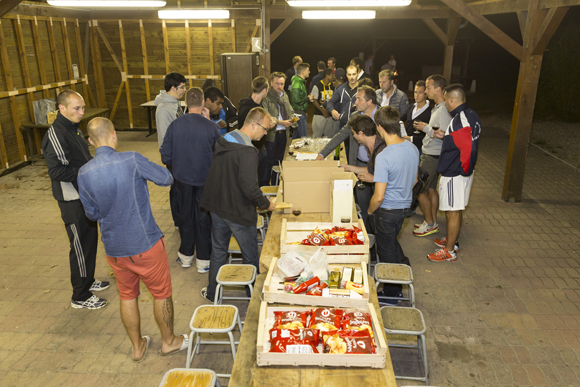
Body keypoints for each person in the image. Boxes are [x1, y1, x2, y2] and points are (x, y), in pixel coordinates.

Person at [77, 117, 188, 362]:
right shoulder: (131, 159)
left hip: (115, 249)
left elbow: (92, 213)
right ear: (114, 134)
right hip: (145, 244)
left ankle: (137, 347)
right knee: (161, 294)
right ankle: (169, 342)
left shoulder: (84, 173)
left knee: (127, 296)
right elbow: (166, 179)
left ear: (90, 141)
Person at [200, 107, 277, 302]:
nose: (265, 133)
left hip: (217, 206)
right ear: (254, 124)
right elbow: (250, 188)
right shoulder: (248, 152)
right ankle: (253, 298)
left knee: (218, 251)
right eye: (265, 129)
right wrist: (266, 204)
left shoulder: (226, 139)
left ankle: (212, 293)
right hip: (237, 211)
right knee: (250, 256)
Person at [41, 90, 109, 310]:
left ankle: (87, 280)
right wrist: (87, 173)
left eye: (82, 107)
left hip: (84, 196)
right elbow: (57, 172)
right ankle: (80, 295)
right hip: (71, 200)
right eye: (76, 108)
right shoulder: (57, 133)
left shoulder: (73, 128)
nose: (81, 112)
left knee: (89, 241)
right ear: (62, 108)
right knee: (79, 245)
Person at [161, 87, 220, 273]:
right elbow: (221, 152)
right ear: (203, 103)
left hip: (183, 180)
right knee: (203, 219)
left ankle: (186, 257)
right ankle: (204, 260)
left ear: (185, 103)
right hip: (205, 180)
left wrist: (177, 167)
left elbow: (165, 155)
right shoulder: (211, 127)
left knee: (185, 216)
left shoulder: (175, 125)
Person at [368, 106, 419, 302]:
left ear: (379, 127)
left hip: (387, 210)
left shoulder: (384, 156)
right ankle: (404, 268)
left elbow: (378, 196)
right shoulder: (411, 148)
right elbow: (414, 180)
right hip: (404, 208)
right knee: (391, 243)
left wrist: (370, 211)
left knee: (386, 251)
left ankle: (393, 293)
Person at [428, 84, 480, 262]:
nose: (446, 106)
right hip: (459, 172)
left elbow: (469, 147)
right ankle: (452, 239)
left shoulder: (460, 119)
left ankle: (449, 250)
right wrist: (447, 137)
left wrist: (463, 170)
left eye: (446, 102)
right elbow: (462, 140)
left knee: (452, 211)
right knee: (455, 208)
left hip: (454, 173)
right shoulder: (470, 114)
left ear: (451, 100)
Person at [317, 86, 378, 225]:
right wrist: (322, 154)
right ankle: (365, 233)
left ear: (370, 101)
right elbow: (340, 136)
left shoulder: (382, 116)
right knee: (361, 202)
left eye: (358, 99)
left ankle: (377, 237)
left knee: (378, 203)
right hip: (360, 164)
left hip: (379, 166)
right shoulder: (355, 116)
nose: (355, 102)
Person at [412, 74, 452, 237]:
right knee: (430, 189)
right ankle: (432, 221)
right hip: (434, 154)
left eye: (428, 88)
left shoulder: (442, 110)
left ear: (438, 89)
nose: (426, 91)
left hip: (432, 155)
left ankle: (429, 223)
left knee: (418, 189)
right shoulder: (438, 107)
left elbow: (442, 133)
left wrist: (426, 128)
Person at [156, 72, 186, 229]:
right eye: (182, 87)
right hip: (174, 156)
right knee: (176, 188)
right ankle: (178, 220)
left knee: (180, 187)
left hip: (180, 153)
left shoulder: (175, 103)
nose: (184, 90)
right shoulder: (163, 109)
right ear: (173, 88)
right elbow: (166, 137)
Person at [262, 72, 296, 184]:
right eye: (277, 83)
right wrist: (282, 122)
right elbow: (266, 117)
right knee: (268, 162)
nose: (280, 86)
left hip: (283, 133)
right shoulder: (266, 96)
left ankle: (276, 186)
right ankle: (264, 187)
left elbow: (290, 110)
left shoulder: (284, 95)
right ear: (271, 83)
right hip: (271, 134)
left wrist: (293, 119)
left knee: (279, 162)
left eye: (282, 84)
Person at [238, 76, 271, 187]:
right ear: (264, 90)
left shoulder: (259, 104)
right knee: (254, 183)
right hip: (252, 151)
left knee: (264, 180)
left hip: (261, 148)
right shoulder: (247, 109)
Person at [326, 65, 360, 160]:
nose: (352, 77)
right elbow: (330, 102)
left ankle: (355, 172)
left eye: (354, 74)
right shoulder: (341, 88)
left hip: (358, 126)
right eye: (349, 74)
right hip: (344, 125)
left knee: (356, 153)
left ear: (357, 74)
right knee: (343, 151)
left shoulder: (362, 89)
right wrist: (332, 110)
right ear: (346, 75)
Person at [342, 114, 386, 184]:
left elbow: (395, 177)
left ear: (361, 133)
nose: (353, 136)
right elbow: (371, 170)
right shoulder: (370, 146)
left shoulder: (382, 150)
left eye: (353, 133)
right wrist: (347, 167)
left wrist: (374, 179)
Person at [403, 80, 431, 153]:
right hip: (406, 146)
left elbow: (430, 135)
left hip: (420, 149)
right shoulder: (411, 107)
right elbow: (401, 118)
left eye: (420, 92)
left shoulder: (430, 112)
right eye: (415, 92)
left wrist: (412, 138)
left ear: (426, 94)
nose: (417, 95)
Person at [311, 68, 336, 138]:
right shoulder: (317, 86)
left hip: (329, 116)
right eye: (332, 75)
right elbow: (314, 100)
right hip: (319, 115)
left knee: (329, 138)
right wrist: (322, 110)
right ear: (327, 75)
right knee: (316, 138)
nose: (333, 77)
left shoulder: (333, 86)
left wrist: (329, 111)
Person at [290, 63, 310, 139]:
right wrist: (308, 98)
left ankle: (291, 151)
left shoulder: (300, 82)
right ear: (303, 72)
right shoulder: (297, 83)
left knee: (296, 138)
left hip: (300, 113)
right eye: (308, 70)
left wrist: (304, 111)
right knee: (304, 139)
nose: (309, 72)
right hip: (299, 115)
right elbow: (296, 100)